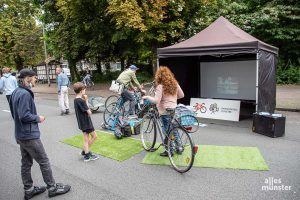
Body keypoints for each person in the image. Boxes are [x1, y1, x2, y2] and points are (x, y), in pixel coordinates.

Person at [9, 69, 71, 199]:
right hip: (29, 135)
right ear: (28, 78)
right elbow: (24, 116)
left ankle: (29, 189)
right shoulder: (24, 94)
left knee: (26, 163)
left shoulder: (15, 92)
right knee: (43, 160)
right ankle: (52, 188)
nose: (36, 79)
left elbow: (14, 114)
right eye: (34, 77)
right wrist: (38, 118)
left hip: (20, 134)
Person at [143, 66, 184, 157]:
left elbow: (156, 101)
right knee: (174, 129)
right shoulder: (175, 84)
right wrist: (172, 99)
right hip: (174, 109)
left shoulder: (160, 86)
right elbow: (182, 95)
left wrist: (147, 97)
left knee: (167, 131)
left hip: (165, 112)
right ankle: (179, 147)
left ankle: (170, 150)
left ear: (159, 76)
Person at [73, 82, 99, 162]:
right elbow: (89, 112)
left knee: (86, 139)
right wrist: (86, 100)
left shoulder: (75, 100)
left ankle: (86, 152)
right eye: (84, 89)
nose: (85, 90)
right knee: (94, 136)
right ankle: (86, 154)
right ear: (81, 91)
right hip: (86, 122)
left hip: (81, 122)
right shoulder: (81, 101)